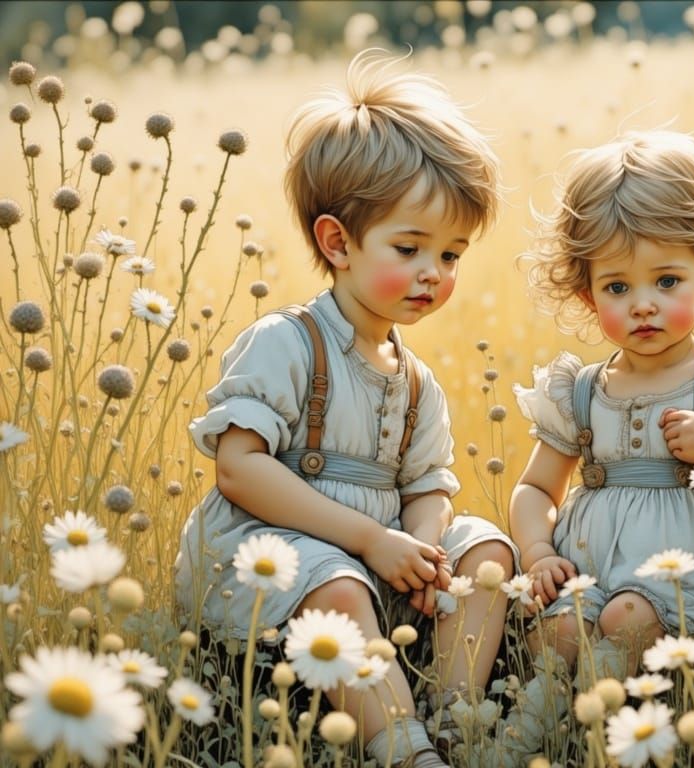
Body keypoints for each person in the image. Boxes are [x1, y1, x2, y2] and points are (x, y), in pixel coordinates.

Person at [175, 51, 514, 768]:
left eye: (452, 255)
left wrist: (423, 551)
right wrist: (367, 539)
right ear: (338, 242)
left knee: (485, 549)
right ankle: (404, 749)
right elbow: (239, 471)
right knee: (330, 576)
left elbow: (427, 489)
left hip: (377, 553)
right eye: (411, 246)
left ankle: (458, 725)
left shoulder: (418, 382)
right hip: (276, 554)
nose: (435, 273)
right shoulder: (286, 343)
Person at [510, 130, 694, 680]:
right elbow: (536, 488)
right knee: (557, 629)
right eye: (617, 288)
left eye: (667, 281)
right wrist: (536, 550)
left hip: (691, 588)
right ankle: (541, 731)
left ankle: (593, 716)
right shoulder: (580, 391)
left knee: (629, 617)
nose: (643, 305)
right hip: (593, 575)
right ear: (588, 293)